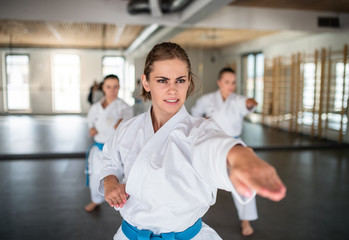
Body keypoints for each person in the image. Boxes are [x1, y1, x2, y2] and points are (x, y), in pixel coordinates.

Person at [98, 42, 286, 239]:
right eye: (162, 80)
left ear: (188, 82)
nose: (173, 90)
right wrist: (110, 181)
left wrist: (238, 156)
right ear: (146, 82)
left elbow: (213, 147)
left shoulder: (199, 130)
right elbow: (110, 161)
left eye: (180, 80)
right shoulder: (127, 129)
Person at [191, 67, 258, 236]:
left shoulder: (237, 100)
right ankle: (191, 218)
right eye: (227, 82)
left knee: (244, 179)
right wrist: (203, 120)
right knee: (199, 180)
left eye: (233, 82)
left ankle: (246, 220)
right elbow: (195, 114)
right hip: (211, 145)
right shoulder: (207, 99)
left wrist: (250, 103)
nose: (230, 85)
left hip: (234, 144)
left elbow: (246, 103)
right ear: (219, 82)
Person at [85, 74, 133, 212]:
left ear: (119, 88)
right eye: (108, 87)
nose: (112, 90)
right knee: (95, 177)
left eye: (115, 87)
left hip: (115, 152)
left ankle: (122, 205)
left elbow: (126, 123)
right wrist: (91, 127)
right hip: (98, 149)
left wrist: (122, 123)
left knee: (119, 179)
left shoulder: (124, 108)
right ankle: (95, 200)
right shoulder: (96, 106)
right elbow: (90, 121)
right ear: (103, 88)